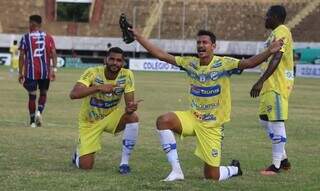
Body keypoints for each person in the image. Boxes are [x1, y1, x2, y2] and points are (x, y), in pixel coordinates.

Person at [131, 28, 283, 181]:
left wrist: (270, 51)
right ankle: (176, 171)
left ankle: (234, 169)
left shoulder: (224, 64)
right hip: (193, 117)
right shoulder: (190, 63)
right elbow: (161, 55)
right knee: (163, 121)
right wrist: (138, 36)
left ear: (213, 46)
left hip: (212, 125)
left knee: (211, 176)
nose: (201, 45)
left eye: (205, 42)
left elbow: (249, 63)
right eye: (198, 42)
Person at [70, 47, 141, 174]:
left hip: (110, 116)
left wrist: (131, 107)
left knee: (133, 117)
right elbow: (74, 94)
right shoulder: (93, 72)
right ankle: (78, 154)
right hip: (90, 121)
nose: (115, 63)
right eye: (112, 59)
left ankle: (124, 163)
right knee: (86, 166)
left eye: (119, 60)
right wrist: (99, 88)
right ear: (105, 60)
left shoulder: (127, 75)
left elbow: (129, 105)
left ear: (123, 63)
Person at [250, 5, 294, 176]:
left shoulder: (282, 31)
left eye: (267, 16)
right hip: (270, 86)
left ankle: (276, 166)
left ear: (275, 17)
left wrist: (260, 81)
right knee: (264, 119)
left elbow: (277, 57)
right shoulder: (274, 34)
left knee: (276, 122)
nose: (265, 19)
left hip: (277, 85)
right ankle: (283, 159)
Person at [18, 15, 57, 128]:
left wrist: (20, 72)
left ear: (32, 24)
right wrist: (54, 69)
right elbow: (53, 53)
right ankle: (39, 112)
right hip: (45, 71)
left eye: (29, 23)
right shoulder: (48, 37)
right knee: (43, 93)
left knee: (32, 96)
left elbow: (21, 56)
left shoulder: (26, 38)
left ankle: (32, 121)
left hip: (31, 72)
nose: (28, 25)